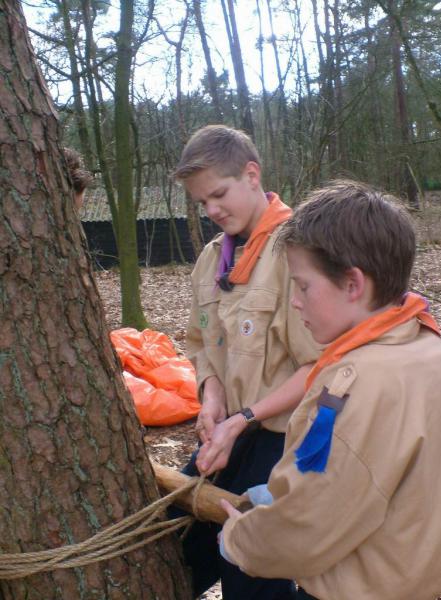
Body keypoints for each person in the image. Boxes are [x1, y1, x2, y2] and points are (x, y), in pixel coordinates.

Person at [220, 180, 441, 600]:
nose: (295, 301)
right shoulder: (434, 350)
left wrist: (239, 540)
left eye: (303, 285)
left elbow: (309, 522)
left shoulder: (356, 386)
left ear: (352, 284)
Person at [173, 125, 320, 600]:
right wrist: (211, 399)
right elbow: (202, 343)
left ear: (252, 175)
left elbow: (319, 366)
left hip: (285, 438)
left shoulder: (299, 252)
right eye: (202, 203)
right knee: (176, 539)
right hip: (229, 432)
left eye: (219, 194)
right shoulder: (211, 258)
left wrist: (244, 419)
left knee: (250, 572)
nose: (212, 211)